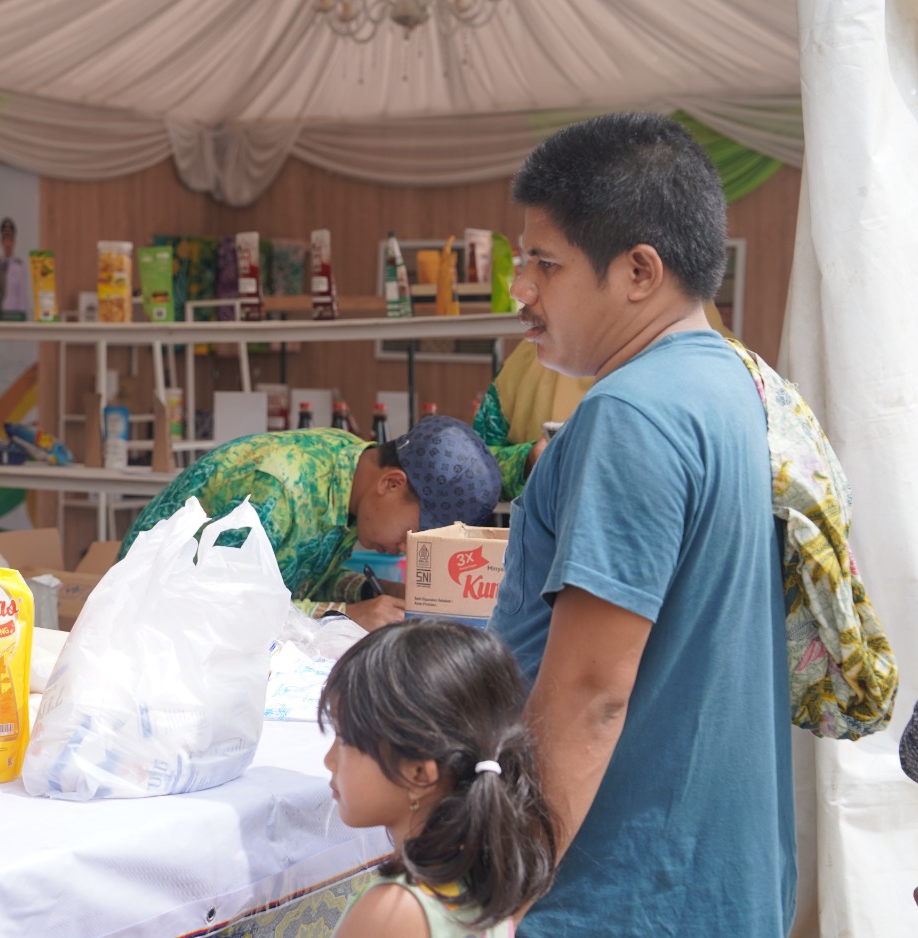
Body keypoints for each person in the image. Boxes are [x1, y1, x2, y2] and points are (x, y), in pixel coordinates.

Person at [488, 113, 793, 933]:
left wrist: (507, 889)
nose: (523, 290)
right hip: (719, 880)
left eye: (544, 265)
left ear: (638, 271)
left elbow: (590, 693)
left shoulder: (632, 414)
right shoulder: (739, 385)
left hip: (621, 892)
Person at [117, 416, 501, 630]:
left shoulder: (351, 469)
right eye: (411, 534)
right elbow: (219, 606)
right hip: (148, 633)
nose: (405, 547)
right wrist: (344, 615)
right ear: (392, 483)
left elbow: (295, 574)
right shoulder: (278, 490)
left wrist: (372, 592)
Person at [322, 619, 556, 938]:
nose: (329, 760)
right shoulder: (480, 884)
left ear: (419, 773)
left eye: (345, 738)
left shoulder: (394, 910)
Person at [473, 301, 738, 501]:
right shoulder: (533, 358)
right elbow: (472, 466)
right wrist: (530, 459)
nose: (523, 288)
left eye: (548, 264)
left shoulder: (736, 376)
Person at [0, 216, 29, 316]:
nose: (8, 244)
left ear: (14, 242)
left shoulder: (19, 267)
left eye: (10, 240)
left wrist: (22, 318)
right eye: (5, 240)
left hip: (14, 316)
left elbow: (22, 296)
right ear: (1, 242)